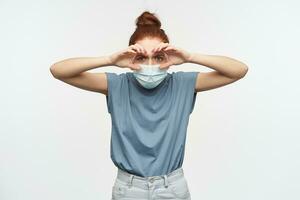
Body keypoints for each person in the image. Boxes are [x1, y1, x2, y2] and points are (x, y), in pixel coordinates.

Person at [50, 10, 248, 200]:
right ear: (130, 57)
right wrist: (110, 60)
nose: (150, 65)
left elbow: (238, 70)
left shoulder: (183, 84)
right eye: (142, 57)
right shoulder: (117, 85)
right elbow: (58, 70)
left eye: (158, 57)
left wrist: (190, 57)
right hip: (128, 189)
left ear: (169, 58)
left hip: (172, 188)